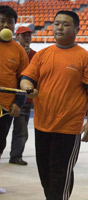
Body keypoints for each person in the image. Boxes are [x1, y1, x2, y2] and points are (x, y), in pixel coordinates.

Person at [20, 10, 88, 200]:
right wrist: (28, 87)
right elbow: (25, 78)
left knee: (60, 175)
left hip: (68, 128)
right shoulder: (43, 55)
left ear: (77, 29)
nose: (59, 27)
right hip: (42, 124)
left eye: (65, 24)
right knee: (45, 173)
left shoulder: (85, 57)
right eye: (56, 23)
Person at [0, 5, 29, 194]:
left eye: (9, 22)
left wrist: (18, 103)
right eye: (1, 20)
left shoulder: (19, 51)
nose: (5, 25)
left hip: (5, 108)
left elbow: (24, 79)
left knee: (0, 144)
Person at [9, 26, 36, 166]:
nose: (27, 38)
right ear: (17, 36)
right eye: (23, 35)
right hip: (7, 96)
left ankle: (16, 155)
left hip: (25, 98)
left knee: (21, 130)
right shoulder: (9, 51)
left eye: (29, 35)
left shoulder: (36, 55)